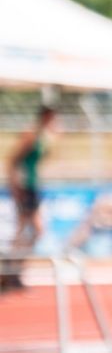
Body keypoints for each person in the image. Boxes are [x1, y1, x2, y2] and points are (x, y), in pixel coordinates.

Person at [3, 101, 58, 288]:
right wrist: (15, 187)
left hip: (33, 186)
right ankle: (10, 270)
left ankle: (13, 270)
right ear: (46, 116)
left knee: (27, 231)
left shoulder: (44, 136)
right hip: (25, 186)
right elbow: (13, 160)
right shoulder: (31, 134)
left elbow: (40, 160)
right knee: (30, 230)